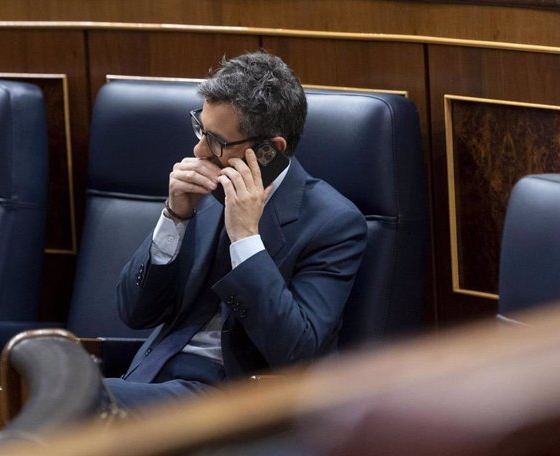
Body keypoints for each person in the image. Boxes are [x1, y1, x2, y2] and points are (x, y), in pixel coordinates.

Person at [106, 51, 367, 409]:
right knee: (54, 387)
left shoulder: (333, 223)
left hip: (234, 400)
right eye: (200, 127)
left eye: (215, 140)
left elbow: (296, 351)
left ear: (268, 151)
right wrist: (174, 217)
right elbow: (134, 313)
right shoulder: (204, 196)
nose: (198, 150)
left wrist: (246, 239)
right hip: (150, 378)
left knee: (68, 401)